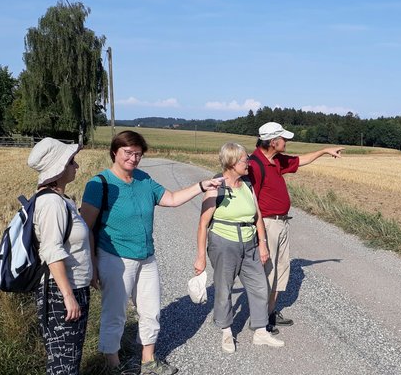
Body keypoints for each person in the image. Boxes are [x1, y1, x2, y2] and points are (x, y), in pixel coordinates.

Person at [80, 130, 223, 375]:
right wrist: (92, 263)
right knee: (115, 312)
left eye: (138, 154)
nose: (133, 159)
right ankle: (113, 364)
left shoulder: (144, 180)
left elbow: (173, 198)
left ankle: (148, 360)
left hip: (147, 257)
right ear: (115, 152)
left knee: (151, 310)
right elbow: (86, 227)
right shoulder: (99, 184)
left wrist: (201, 186)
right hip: (115, 258)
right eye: (128, 153)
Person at [248, 122, 344, 334]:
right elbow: (251, 202)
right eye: (284, 139)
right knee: (267, 273)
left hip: (281, 222)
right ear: (273, 142)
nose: (287, 142)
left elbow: (301, 160)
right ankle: (260, 320)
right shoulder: (255, 165)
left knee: (280, 270)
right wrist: (260, 237)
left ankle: (270, 313)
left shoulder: (276, 160)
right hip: (267, 225)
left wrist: (324, 151)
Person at [195, 142, 284, 354]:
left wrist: (262, 244)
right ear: (233, 162)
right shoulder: (216, 187)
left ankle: (261, 332)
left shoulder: (247, 185)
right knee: (224, 287)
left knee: (260, 286)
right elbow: (203, 224)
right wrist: (200, 257)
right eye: (245, 160)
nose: (249, 164)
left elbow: (258, 216)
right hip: (223, 243)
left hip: (250, 242)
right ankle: (226, 331)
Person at [27, 137, 93, 375]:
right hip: (60, 293)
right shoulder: (52, 204)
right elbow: (51, 251)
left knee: (68, 360)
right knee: (63, 365)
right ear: (60, 167)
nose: (76, 166)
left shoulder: (62, 201)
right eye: (72, 161)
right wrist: (68, 296)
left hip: (72, 288)